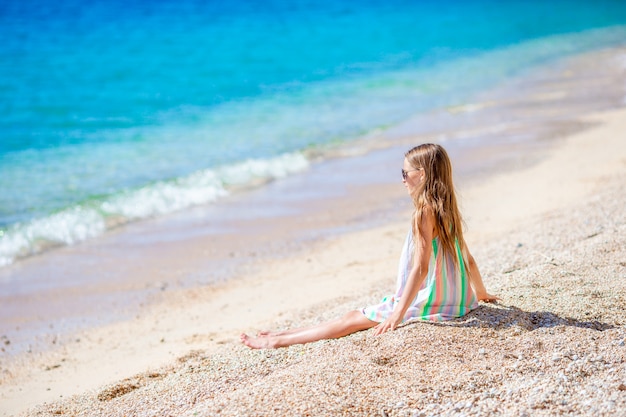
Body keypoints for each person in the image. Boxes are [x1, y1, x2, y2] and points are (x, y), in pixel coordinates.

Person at [241, 143, 498, 349]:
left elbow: (420, 269)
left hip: (433, 300)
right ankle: (283, 333)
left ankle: (275, 341)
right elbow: (468, 258)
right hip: (457, 299)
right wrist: (480, 293)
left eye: (405, 173)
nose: (402, 180)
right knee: (353, 315)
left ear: (421, 175)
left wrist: (398, 313)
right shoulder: (448, 210)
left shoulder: (423, 213)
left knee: (351, 320)